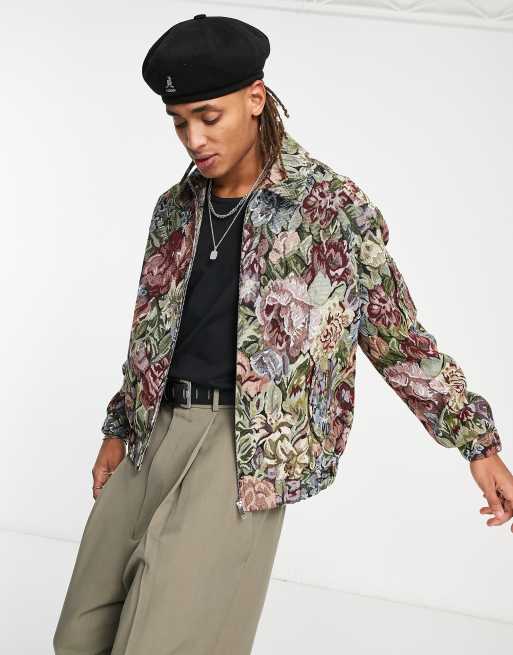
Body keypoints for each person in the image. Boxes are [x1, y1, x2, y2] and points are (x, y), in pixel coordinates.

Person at [53, 13, 513, 655]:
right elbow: (152, 335)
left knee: (165, 642)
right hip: (151, 429)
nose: (193, 139)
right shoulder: (175, 210)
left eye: (208, 117)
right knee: (80, 634)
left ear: (255, 97)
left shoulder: (328, 208)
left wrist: (477, 443)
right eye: (179, 122)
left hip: (241, 448)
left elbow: (396, 336)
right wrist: (118, 425)